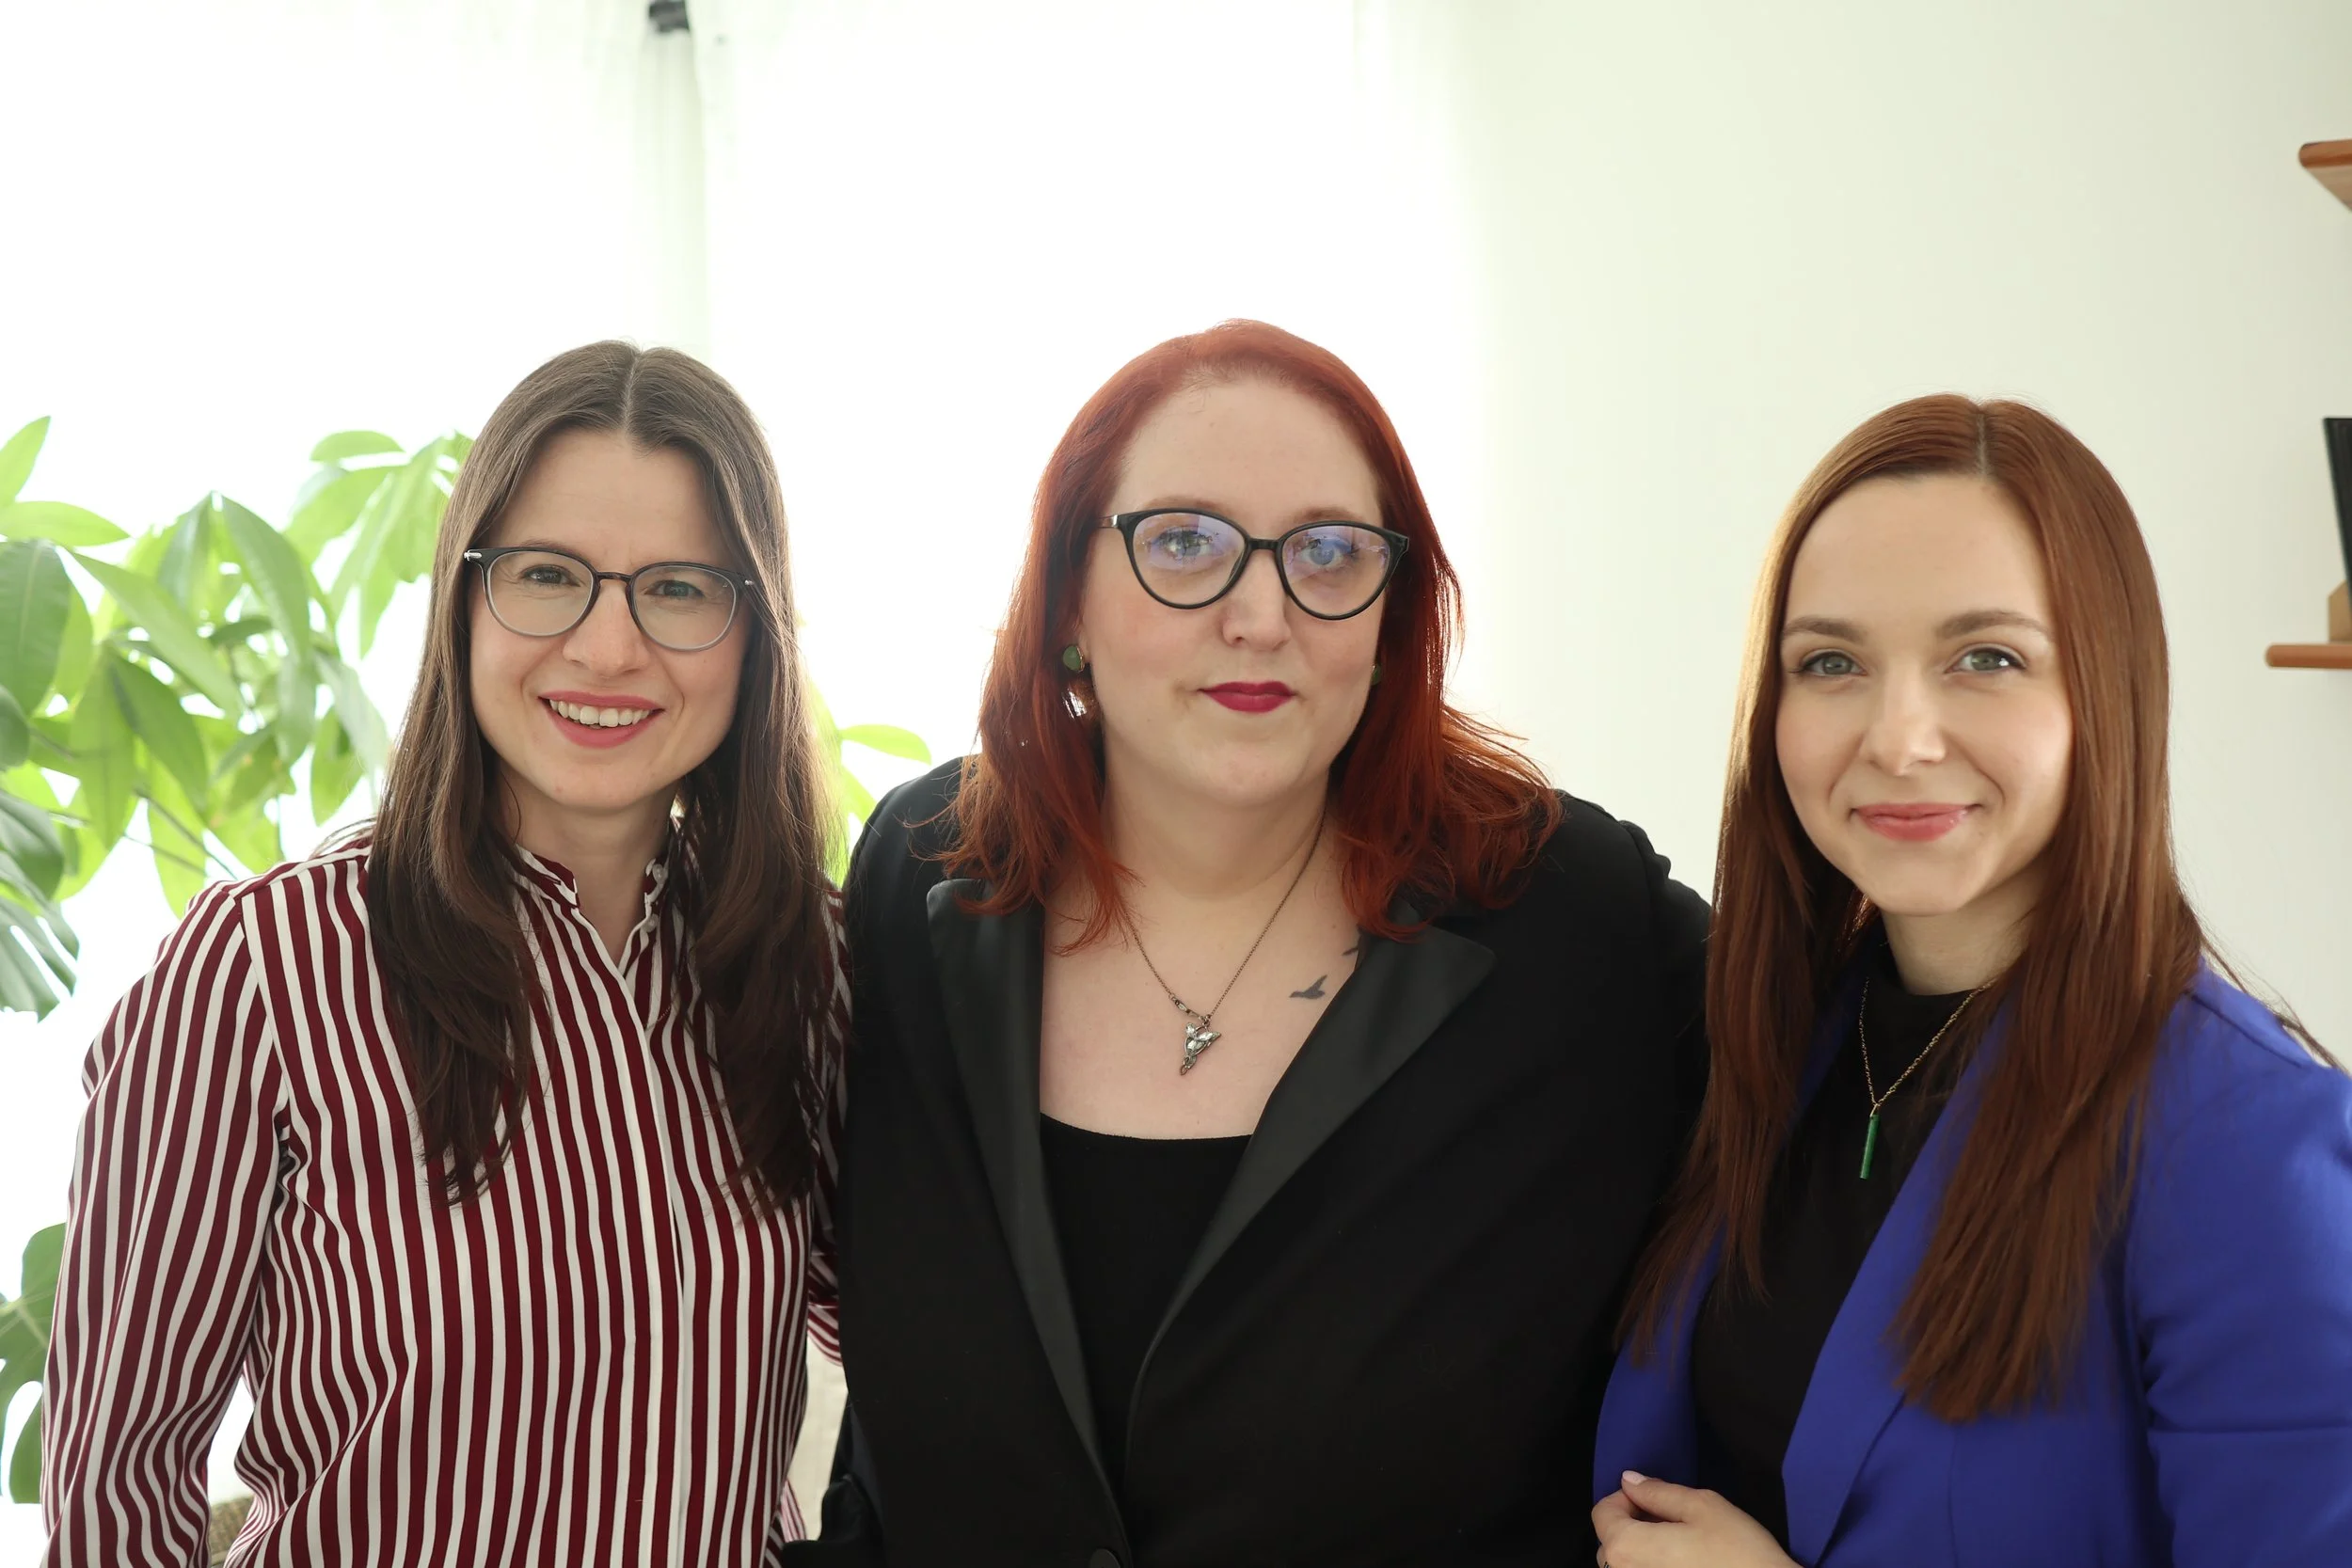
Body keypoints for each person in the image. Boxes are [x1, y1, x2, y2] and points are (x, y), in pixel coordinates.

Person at [799, 320, 1708, 1568]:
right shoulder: (922, 867)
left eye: (1332, 553)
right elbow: (890, 1421)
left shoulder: (1568, 911)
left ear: (1390, 616)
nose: (1261, 613)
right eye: (1184, 542)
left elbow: (1872, 1128)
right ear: (1068, 595)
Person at [41, 342, 846, 1566]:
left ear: (755, 628)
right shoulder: (260, 967)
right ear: (462, 596)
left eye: (679, 587)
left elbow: (942, 1356)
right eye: (546, 574)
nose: (608, 646)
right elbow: (119, 1488)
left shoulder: (816, 962)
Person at [1591, 395, 2352, 1568]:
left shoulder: (2246, 1140)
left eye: (1985, 657)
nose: (1899, 737)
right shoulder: (1766, 1048)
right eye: (1830, 661)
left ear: (2105, 688)